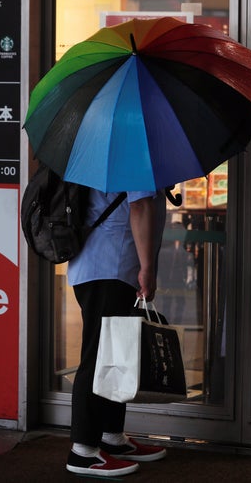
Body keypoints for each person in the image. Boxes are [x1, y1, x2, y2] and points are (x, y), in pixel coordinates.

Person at [64, 188, 168, 477]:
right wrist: (148, 268)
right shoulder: (132, 150)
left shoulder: (125, 150)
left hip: (111, 266)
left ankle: (111, 436)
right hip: (108, 266)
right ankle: (83, 450)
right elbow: (141, 207)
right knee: (97, 356)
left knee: (115, 352)